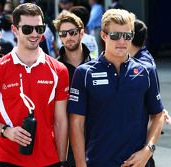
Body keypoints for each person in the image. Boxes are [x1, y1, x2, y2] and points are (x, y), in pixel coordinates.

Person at [0, 3, 69, 167]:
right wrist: (6, 131)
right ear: (15, 30)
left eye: (39, 28)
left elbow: (60, 121)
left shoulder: (59, 70)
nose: (35, 34)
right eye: (28, 29)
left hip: (48, 160)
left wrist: (62, 162)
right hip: (7, 159)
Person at [68, 9, 165, 167]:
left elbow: (158, 115)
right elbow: (76, 124)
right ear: (104, 35)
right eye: (115, 35)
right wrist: (80, 164)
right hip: (98, 162)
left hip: (138, 163)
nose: (122, 41)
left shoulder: (147, 71)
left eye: (127, 36)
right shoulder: (84, 73)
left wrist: (148, 150)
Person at [53, 11, 91, 167]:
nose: (68, 37)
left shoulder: (96, 66)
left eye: (73, 32)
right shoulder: (53, 69)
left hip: (94, 139)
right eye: (63, 34)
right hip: (64, 142)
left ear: (82, 33)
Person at [129, 19, 171, 125]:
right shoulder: (143, 56)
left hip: (140, 119)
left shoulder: (142, 64)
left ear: (130, 37)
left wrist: (160, 109)